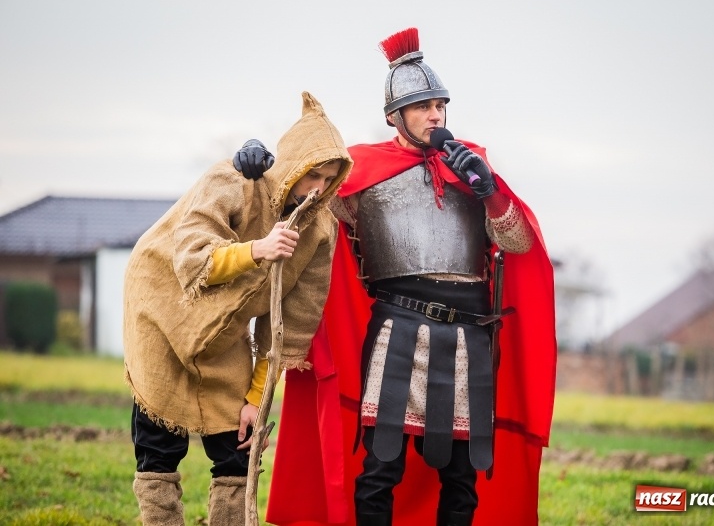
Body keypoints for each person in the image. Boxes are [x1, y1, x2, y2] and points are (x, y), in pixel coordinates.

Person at [236, 28, 556, 526]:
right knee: (380, 468)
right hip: (396, 329)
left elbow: (516, 243)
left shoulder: (471, 166)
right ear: (395, 116)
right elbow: (305, 195)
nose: (436, 114)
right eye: (424, 105)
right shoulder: (360, 169)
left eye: (440, 105)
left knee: (462, 475)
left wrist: (489, 190)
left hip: (471, 336)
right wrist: (262, 165)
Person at [123, 91, 353, 526]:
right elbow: (191, 255)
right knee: (160, 445)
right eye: (312, 176)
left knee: (237, 448)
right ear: (294, 166)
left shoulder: (321, 232)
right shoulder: (233, 179)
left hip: (227, 328)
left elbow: (290, 326)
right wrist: (258, 250)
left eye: (329, 179)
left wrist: (254, 398)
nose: (319, 189)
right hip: (162, 305)